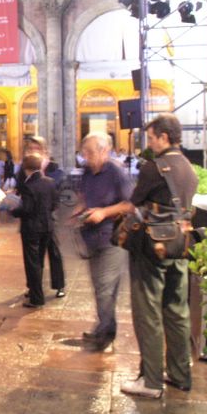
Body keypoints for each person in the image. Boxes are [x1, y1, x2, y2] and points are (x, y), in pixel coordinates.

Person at [84, 113, 197, 398]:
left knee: (148, 312)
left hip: (153, 246)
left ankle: (151, 380)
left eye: (152, 138)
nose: (150, 143)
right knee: (177, 310)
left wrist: (106, 212)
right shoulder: (188, 167)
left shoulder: (154, 167)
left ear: (164, 137)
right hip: (180, 243)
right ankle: (180, 374)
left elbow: (132, 204)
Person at [75, 133, 132, 351]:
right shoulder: (87, 172)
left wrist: (104, 212)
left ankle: (106, 335)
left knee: (106, 287)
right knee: (99, 286)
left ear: (104, 151)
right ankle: (104, 328)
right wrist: (80, 210)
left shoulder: (116, 172)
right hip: (92, 237)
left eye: (90, 152)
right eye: (84, 152)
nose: (86, 156)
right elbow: (84, 196)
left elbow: (130, 204)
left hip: (112, 238)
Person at [18, 136, 66, 298]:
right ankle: (33, 286)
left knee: (54, 251)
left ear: (44, 151)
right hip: (32, 219)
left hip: (49, 217)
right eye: (30, 149)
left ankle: (59, 285)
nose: (33, 151)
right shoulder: (24, 168)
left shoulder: (54, 168)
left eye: (36, 148)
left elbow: (57, 190)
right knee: (33, 257)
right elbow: (21, 188)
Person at [12, 154, 58, 308]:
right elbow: (55, 204)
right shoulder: (50, 182)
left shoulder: (28, 186)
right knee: (39, 262)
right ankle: (35, 292)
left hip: (31, 228)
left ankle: (36, 298)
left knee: (32, 263)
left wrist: (13, 210)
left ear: (26, 168)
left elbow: (26, 209)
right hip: (47, 227)